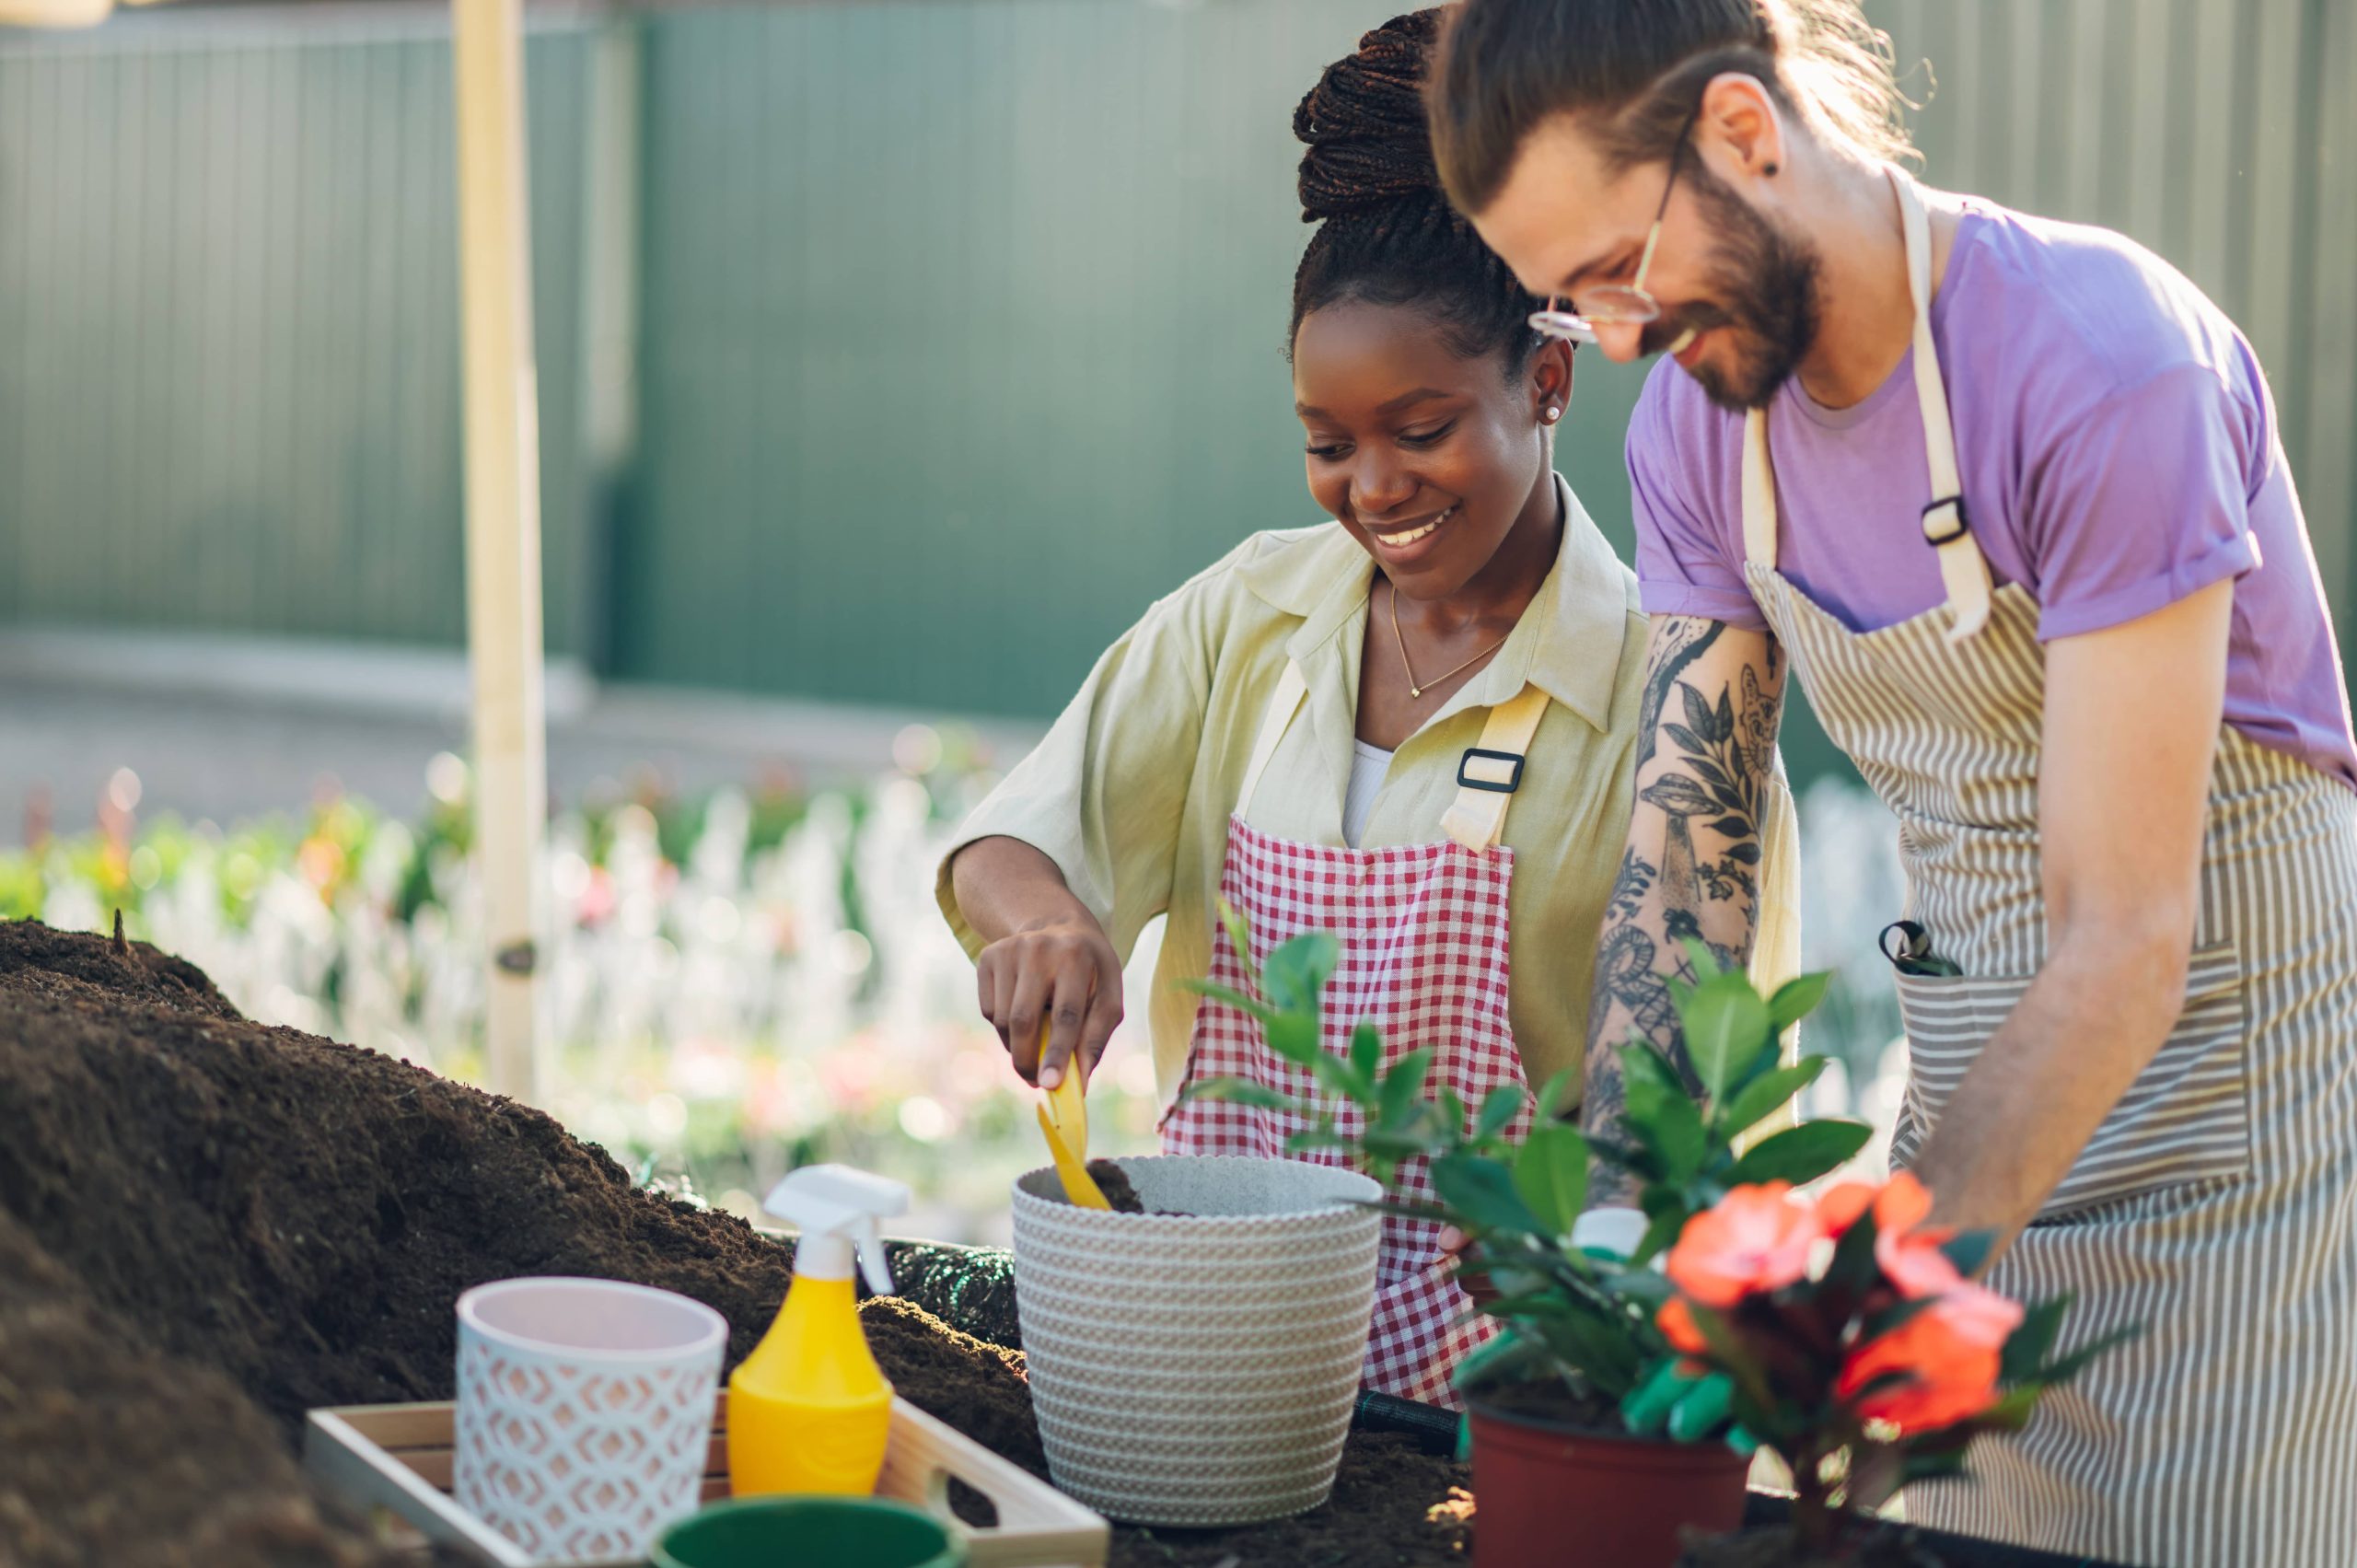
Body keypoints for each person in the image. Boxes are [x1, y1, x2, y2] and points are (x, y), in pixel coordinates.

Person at [1425, 0, 2357, 1560]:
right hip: (1977, 1087)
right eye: (1573, 306)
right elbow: (1685, 865)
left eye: (1618, 268)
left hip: (2225, 1122)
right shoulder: (1700, 436)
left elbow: (2127, 933)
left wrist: (1878, 1289)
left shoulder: (2101, 364)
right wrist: (1615, 1221)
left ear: (1741, 133)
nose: (1628, 333)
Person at [937, 11, 1790, 1407]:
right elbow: (1015, 841)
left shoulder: (1668, 692)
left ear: (1550, 379)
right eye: (1327, 445)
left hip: (1511, 1384)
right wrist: (1042, 925)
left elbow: (1717, 1096)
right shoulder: (1249, 618)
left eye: (1423, 427)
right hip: (1217, 1340)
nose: (1373, 488)